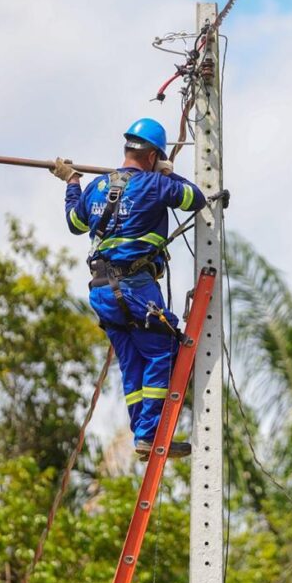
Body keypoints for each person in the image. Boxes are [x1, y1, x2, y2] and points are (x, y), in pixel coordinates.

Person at [51, 117, 206, 460]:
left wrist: (73, 182)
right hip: (134, 286)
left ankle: (143, 435)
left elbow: (75, 223)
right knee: (163, 350)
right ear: (152, 156)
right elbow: (194, 199)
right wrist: (168, 174)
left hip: (102, 290)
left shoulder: (97, 187)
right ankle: (149, 435)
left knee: (133, 361)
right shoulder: (155, 185)